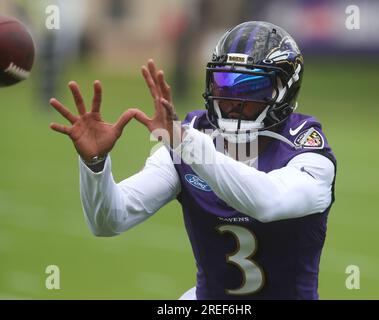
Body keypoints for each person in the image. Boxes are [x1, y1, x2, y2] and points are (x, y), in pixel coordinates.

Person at [49, 21, 336, 300]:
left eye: (251, 89)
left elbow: (266, 202)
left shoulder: (307, 153)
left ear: (284, 91)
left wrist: (187, 144)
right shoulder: (190, 139)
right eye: (225, 86)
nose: (233, 102)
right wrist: (95, 164)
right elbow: (110, 220)